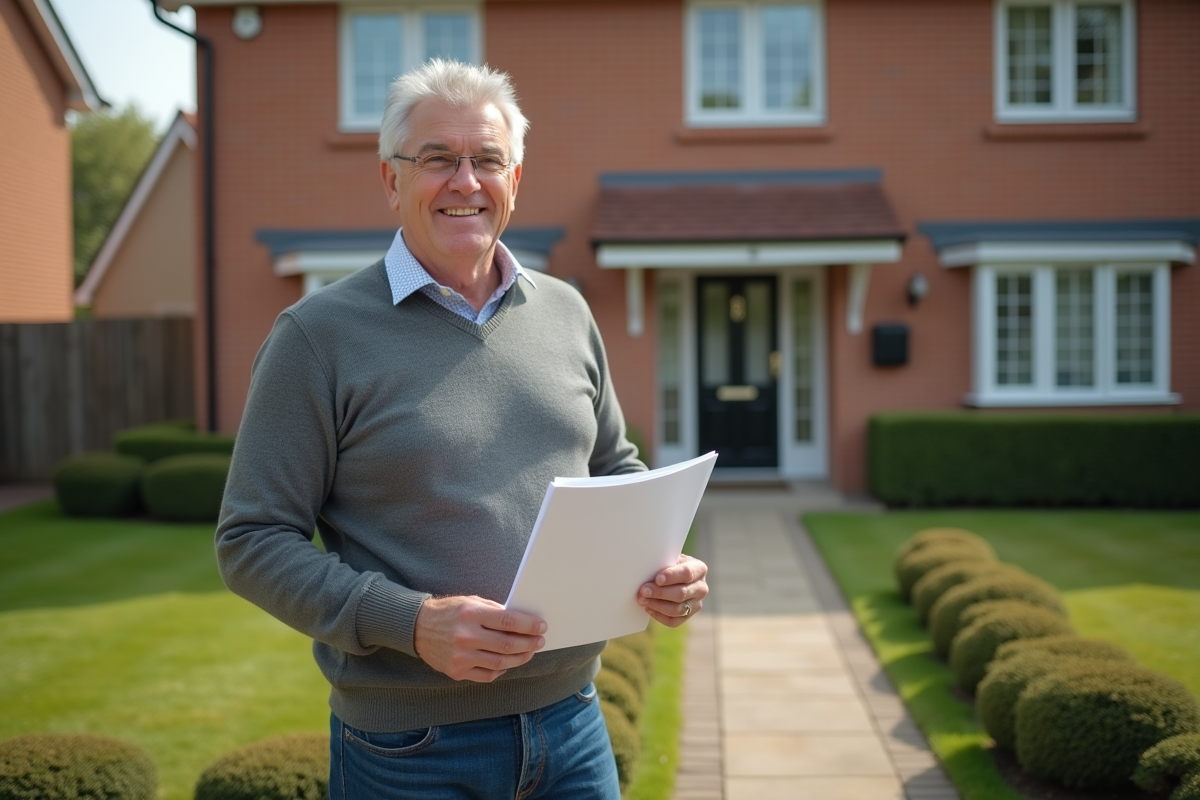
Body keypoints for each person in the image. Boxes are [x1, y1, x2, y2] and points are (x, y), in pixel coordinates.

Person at [215, 58, 709, 799]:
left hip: (573, 724)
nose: (465, 182)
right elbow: (250, 540)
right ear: (391, 180)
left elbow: (615, 468)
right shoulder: (315, 337)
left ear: (517, 179)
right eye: (438, 160)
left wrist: (662, 564)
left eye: (487, 160)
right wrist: (413, 622)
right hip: (408, 750)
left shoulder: (567, 312)